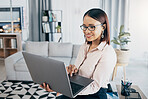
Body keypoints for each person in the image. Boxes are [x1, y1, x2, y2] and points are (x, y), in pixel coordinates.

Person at [40, 8, 117, 99]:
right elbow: (79, 73)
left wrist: (62, 89)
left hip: (94, 95)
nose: (87, 31)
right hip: (79, 89)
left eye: (92, 27)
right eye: (84, 26)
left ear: (103, 27)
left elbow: (95, 86)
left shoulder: (107, 52)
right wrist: (71, 71)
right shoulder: (84, 46)